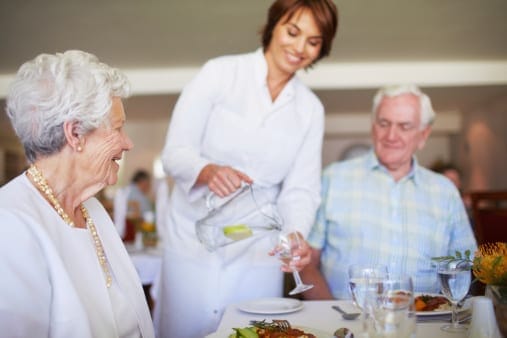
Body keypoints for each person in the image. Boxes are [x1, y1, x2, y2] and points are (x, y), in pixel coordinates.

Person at [154, 0, 338, 336]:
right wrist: (208, 170)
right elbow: (175, 153)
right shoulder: (220, 73)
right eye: (292, 31)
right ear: (273, 25)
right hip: (194, 240)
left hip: (258, 248)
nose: (299, 48)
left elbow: (301, 189)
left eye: (313, 42)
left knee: (252, 330)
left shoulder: (311, 109)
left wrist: (295, 234)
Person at [0, 50, 155, 338]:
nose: (128, 143)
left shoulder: (92, 209)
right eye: (118, 128)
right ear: (75, 134)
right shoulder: (9, 225)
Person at [300, 84, 478, 300]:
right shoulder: (332, 178)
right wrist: (330, 319)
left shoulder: (446, 192)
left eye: (404, 126)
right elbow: (307, 263)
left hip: (424, 327)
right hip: (345, 327)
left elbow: (465, 268)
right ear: (373, 126)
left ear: (423, 135)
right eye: (384, 123)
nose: (391, 135)